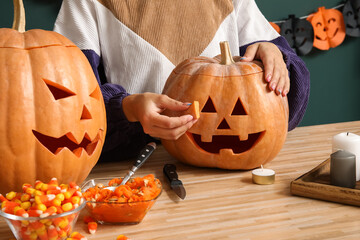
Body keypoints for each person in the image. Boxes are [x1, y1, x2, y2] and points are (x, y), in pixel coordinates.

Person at [53, 0, 310, 160]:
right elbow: (67, 110)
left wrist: (275, 55)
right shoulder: (86, 2)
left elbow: (287, 110)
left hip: (228, 174)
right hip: (137, 165)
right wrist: (127, 109)